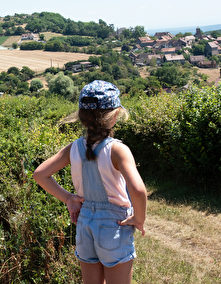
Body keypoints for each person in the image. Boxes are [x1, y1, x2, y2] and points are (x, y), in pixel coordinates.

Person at [33, 80, 147, 284]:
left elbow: (40, 174)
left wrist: (69, 198)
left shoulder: (73, 148)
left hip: (85, 223)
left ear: (81, 117)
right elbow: (138, 190)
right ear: (114, 116)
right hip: (115, 225)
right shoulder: (118, 150)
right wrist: (139, 219)